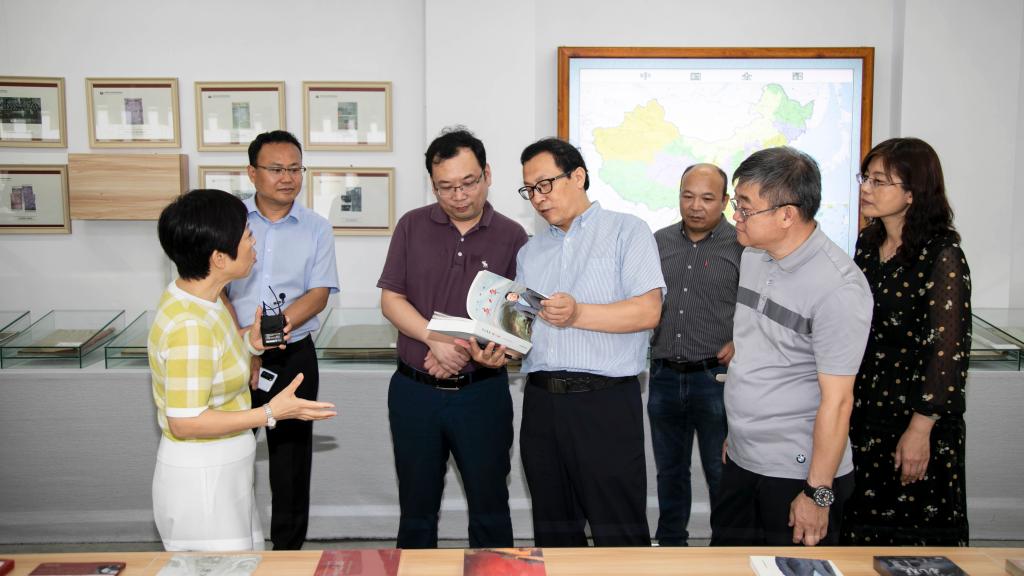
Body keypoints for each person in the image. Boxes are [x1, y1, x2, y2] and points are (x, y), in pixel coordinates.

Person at [472, 137, 664, 547]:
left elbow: (648, 312)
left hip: (605, 403)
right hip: (542, 405)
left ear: (578, 176)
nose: (538, 198)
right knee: (554, 532)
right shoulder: (531, 251)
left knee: (619, 531)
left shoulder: (627, 231)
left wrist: (579, 314)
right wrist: (498, 351)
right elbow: (523, 332)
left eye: (546, 184)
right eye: (529, 189)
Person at [149, 189, 336, 552]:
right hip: (205, 483)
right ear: (219, 258)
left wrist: (251, 345)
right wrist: (270, 412)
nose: (254, 244)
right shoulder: (190, 324)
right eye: (248, 236)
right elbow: (185, 421)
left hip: (224, 472)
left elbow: (214, 359)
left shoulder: (204, 301)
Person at [709, 146, 872, 547]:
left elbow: (838, 402)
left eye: (746, 207)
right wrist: (741, 434)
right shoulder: (754, 255)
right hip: (743, 456)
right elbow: (757, 353)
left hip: (797, 474)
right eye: (736, 204)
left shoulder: (839, 288)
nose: (735, 216)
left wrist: (817, 493)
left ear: (786, 215)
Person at [377, 127, 528, 548]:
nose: (459, 196)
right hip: (414, 393)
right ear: (433, 184)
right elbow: (391, 299)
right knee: (417, 510)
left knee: (490, 507)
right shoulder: (411, 226)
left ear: (487, 175)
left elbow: (515, 324)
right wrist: (435, 341)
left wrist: (466, 353)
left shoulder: (513, 236)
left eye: (468, 182)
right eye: (446, 187)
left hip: (481, 394)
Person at [841, 138, 971, 546]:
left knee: (911, 540)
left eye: (879, 181)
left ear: (913, 193)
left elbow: (947, 354)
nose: (866, 189)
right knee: (859, 530)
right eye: (865, 178)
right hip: (866, 408)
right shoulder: (867, 244)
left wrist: (920, 427)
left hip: (914, 417)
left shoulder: (942, 254)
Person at [223, 130, 340, 550]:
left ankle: (287, 556)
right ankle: (231, 546)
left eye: (294, 169)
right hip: (231, 351)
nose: (287, 178)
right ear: (252, 172)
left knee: (290, 464)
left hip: (293, 356)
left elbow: (319, 294)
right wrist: (246, 343)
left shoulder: (316, 228)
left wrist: (266, 336)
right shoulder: (229, 220)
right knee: (229, 453)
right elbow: (215, 287)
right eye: (276, 169)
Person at [648, 163, 743, 546]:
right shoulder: (658, 242)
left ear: (725, 201)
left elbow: (760, 305)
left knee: (722, 472)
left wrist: (743, 341)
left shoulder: (742, 245)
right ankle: (671, 547)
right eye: (688, 196)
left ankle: (726, 552)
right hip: (663, 375)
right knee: (669, 472)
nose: (696, 206)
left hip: (715, 379)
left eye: (707, 198)